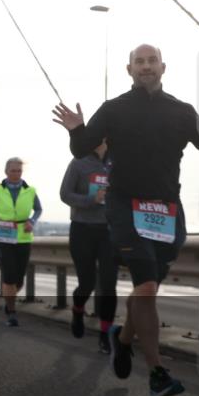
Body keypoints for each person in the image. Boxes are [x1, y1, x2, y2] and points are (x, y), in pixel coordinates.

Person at [53, 43, 199, 396]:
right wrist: (76, 129)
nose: (146, 66)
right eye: (139, 61)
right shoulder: (113, 109)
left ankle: (122, 340)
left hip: (167, 210)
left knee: (145, 289)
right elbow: (82, 147)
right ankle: (157, 374)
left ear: (164, 67)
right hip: (124, 207)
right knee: (147, 286)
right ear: (129, 69)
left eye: (152, 61)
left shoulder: (181, 111)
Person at [60, 139, 116, 353]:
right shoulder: (79, 162)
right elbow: (65, 194)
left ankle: (105, 334)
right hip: (82, 229)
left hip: (109, 231)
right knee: (87, 283)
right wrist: (92, 199)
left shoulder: (119, 161)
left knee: (109, 285)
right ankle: (78, 309)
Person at [0, 157, 42, 328]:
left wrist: (32, 221)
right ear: (6, 172)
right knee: (9, 276)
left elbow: (38, 209)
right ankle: (12, 312)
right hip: (1, 238)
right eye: (13, 171)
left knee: (19, 279)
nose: (16, 174)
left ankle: (9, 300)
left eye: (19, 171)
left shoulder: (30, 191)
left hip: (23, 238)